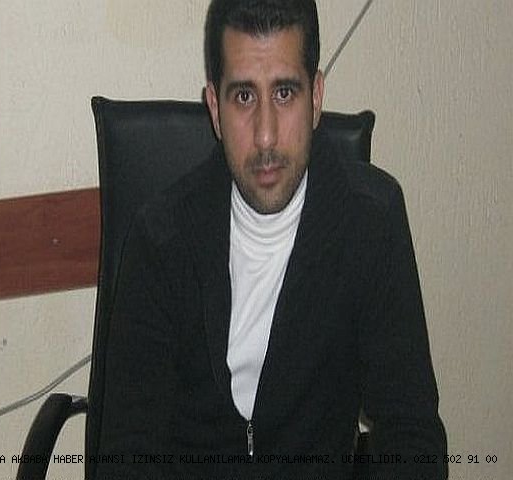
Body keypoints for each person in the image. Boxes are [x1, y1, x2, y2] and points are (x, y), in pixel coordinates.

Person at [91, 1, 447, 479]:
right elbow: (127, 456)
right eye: (243, 97)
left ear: (315, 97)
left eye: (284, 93)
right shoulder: (161, 239)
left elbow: (412, 432)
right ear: (214, 108)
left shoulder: (369, 223)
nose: (265, 136)